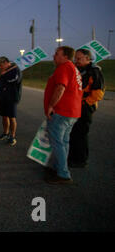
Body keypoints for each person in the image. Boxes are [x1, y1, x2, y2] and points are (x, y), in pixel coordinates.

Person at [43, 46, 83, 184]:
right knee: (64, 142)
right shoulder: (72, 68)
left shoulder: (64, 67)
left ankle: (63, 174)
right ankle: (59, 167)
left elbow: (60, 87)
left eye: (57, 54)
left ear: (65, 57)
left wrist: (50, 106)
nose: (54, 56)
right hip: (72, 112)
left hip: (62, 112)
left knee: (58, 142)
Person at [68, 48, 105, 168]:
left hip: (85, 107)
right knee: (73, 133)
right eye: (75, 58)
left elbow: (98, 93)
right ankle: (72, 157)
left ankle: (80, 160)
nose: (76, 60)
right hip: (75, 106)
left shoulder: (94, 71)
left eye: (79, 58)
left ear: (87, 59)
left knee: (81, 134)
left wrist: (85, 104)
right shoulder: (78, 69)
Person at [0, 56, 22, 146]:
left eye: (1, 65)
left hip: (12, 97)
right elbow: (1, 82)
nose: (0, 67)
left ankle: (12, 136)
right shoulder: (4, 71)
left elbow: (13, 80)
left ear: (6, 63)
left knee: (12, 117)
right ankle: (5, 133)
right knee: (4, 116)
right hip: (3, 97)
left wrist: (4, 75)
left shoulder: (15, 70)